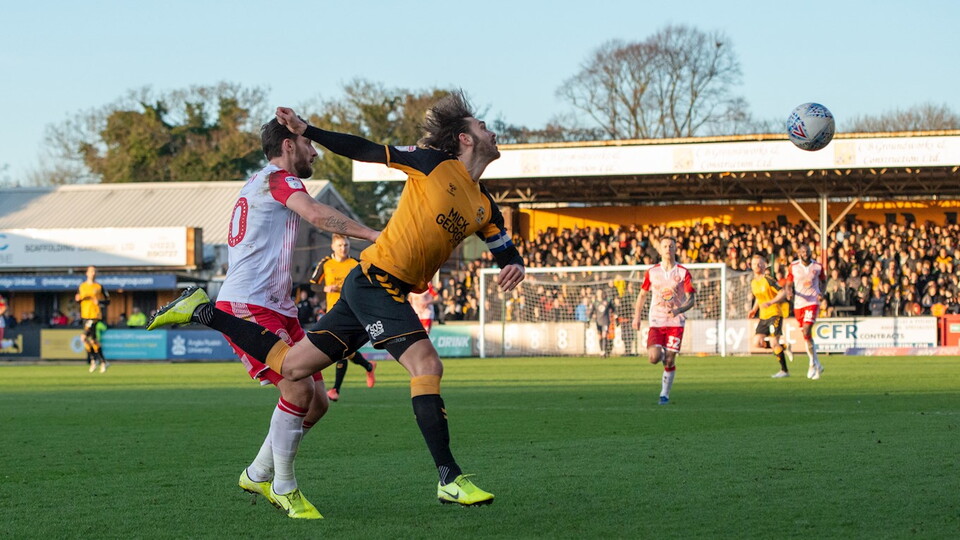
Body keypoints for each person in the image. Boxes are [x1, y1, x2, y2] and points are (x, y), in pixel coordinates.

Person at [148, 92, 523, 510]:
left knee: (299, 374)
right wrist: (311, 131)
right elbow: (364, 151)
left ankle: (205, 319)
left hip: (361, 291)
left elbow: (503, 247)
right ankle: (447, 478)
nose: (492, 131)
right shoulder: (432, 163)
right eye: (482, 126)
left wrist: (515, 264)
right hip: (374, 283)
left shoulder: (485, 206)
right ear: (465, 138)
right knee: (426, 365)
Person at [172, 115, 379, 519]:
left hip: (279, 308)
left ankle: (258, 472)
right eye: (308, 144)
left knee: (317, 403)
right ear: (288, 145)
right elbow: (316, 215)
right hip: (249, 305)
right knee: (297, 390)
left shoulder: (260, 183)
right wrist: (375, 235)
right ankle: (284, 486)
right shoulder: (279, 180)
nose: (315, 152)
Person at [309, 234, 377, 402]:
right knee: (346, 350)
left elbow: (369, 282)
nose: (343, 248)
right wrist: (325, 289)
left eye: (346, 245)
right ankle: (369, 366)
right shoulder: (326, 263)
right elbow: (313, 284)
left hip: (352, 312)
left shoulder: (355, 263)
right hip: (332, 312)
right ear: (333, 246)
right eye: (340, 245)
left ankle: (335, 390)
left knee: (341, 349)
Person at [631, 236, 696, 405]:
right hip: (657, 320)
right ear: (660, 250)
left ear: (676, 249)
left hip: (676, 322)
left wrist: (679, 310)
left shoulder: (683, 272)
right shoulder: (652, 272)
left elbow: (691, 299)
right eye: (665, 246)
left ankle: (664, 394)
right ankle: (662, 354)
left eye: (671, 246)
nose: (668, 249)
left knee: (669, 360)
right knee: (653, 358)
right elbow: (642, 295)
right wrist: (637, 316)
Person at [764, 244, 825, 380]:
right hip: (798, 304)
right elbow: (789, 283)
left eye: (807, 251)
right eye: (802, 251)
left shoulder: (817, 266)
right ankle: (817, 363)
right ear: (798, 253)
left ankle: (811, 364)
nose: (805, 253)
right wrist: (789, 291)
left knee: (807, 329)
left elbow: (823, 281)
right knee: (806, 335)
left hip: (812, 302)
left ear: (810, 252)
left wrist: (822, 293)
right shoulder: (794, 266)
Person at [748, 255, 791, 378]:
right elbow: (759, 297)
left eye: (759, 263)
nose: (757, 266)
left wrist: (771, 302)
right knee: (756, 342)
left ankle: (784, 371)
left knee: (773, 342)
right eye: (754, 264)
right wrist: (754, 309)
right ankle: (784, 347)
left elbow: (782, 293)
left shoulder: (768, 279)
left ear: (764, 265)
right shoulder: (753, 282)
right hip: (763, 316)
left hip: (774, 314)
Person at [75, 266, 108, 373]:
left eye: (94, 271)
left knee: (83, 337)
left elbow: (108, 301)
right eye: (91, 271)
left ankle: (94, 360)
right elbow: (78, 299)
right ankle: (102, 361)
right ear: (87, 273)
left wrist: (100, 302)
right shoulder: (82, 286)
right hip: (85, 315)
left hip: (94, 315)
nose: (93, 273)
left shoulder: (99, 287)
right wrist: (77, 299)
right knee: (92, 340)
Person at [588, 289, 615, 358]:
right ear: (597, 294)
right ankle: (602, 350)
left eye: (601, 292)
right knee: (599, 336)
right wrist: (588, 319)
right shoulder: (595, 302)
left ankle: (603, 351)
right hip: (598, 322)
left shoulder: (607, 301)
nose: (600, 294)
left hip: (605, 321)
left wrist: (616, 315)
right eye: (598, 293)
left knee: (604, 335)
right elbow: (591, 311)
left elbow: (613, 308)